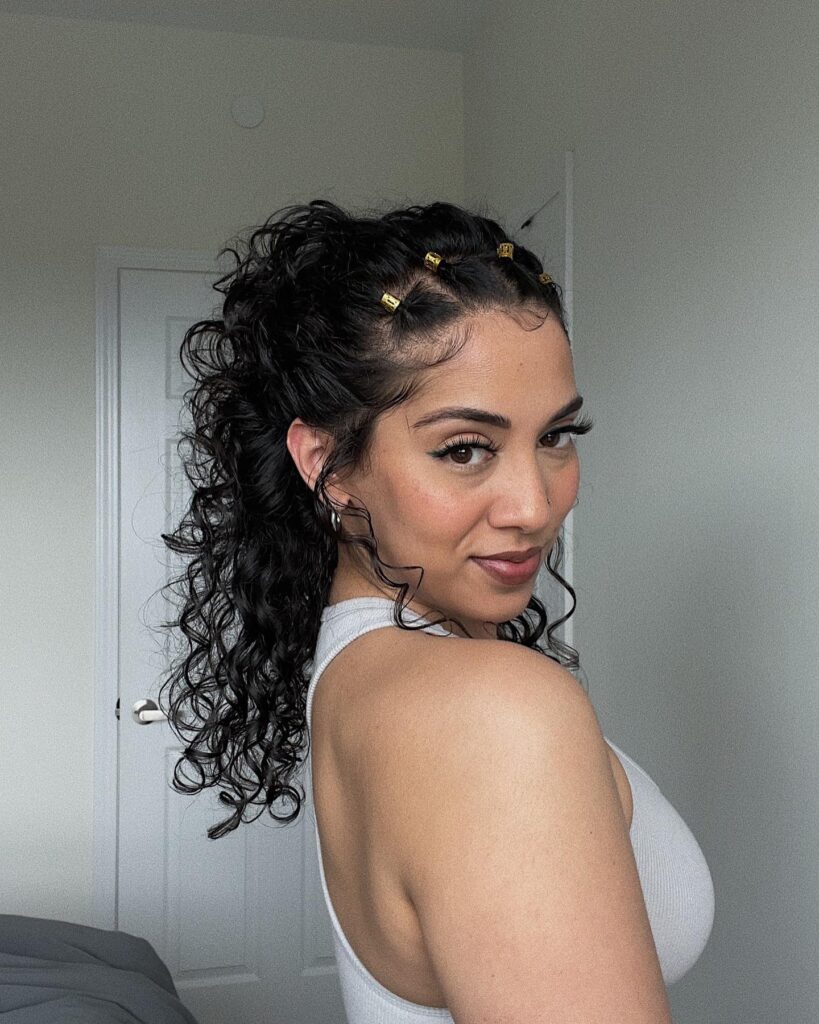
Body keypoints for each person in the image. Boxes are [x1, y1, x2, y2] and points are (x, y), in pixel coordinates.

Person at [160, 199, 715, 1023]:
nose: (533, 504)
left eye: (557, 436)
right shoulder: (486, 711)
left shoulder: (368, 666)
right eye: (464, 448)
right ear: (328, 467)